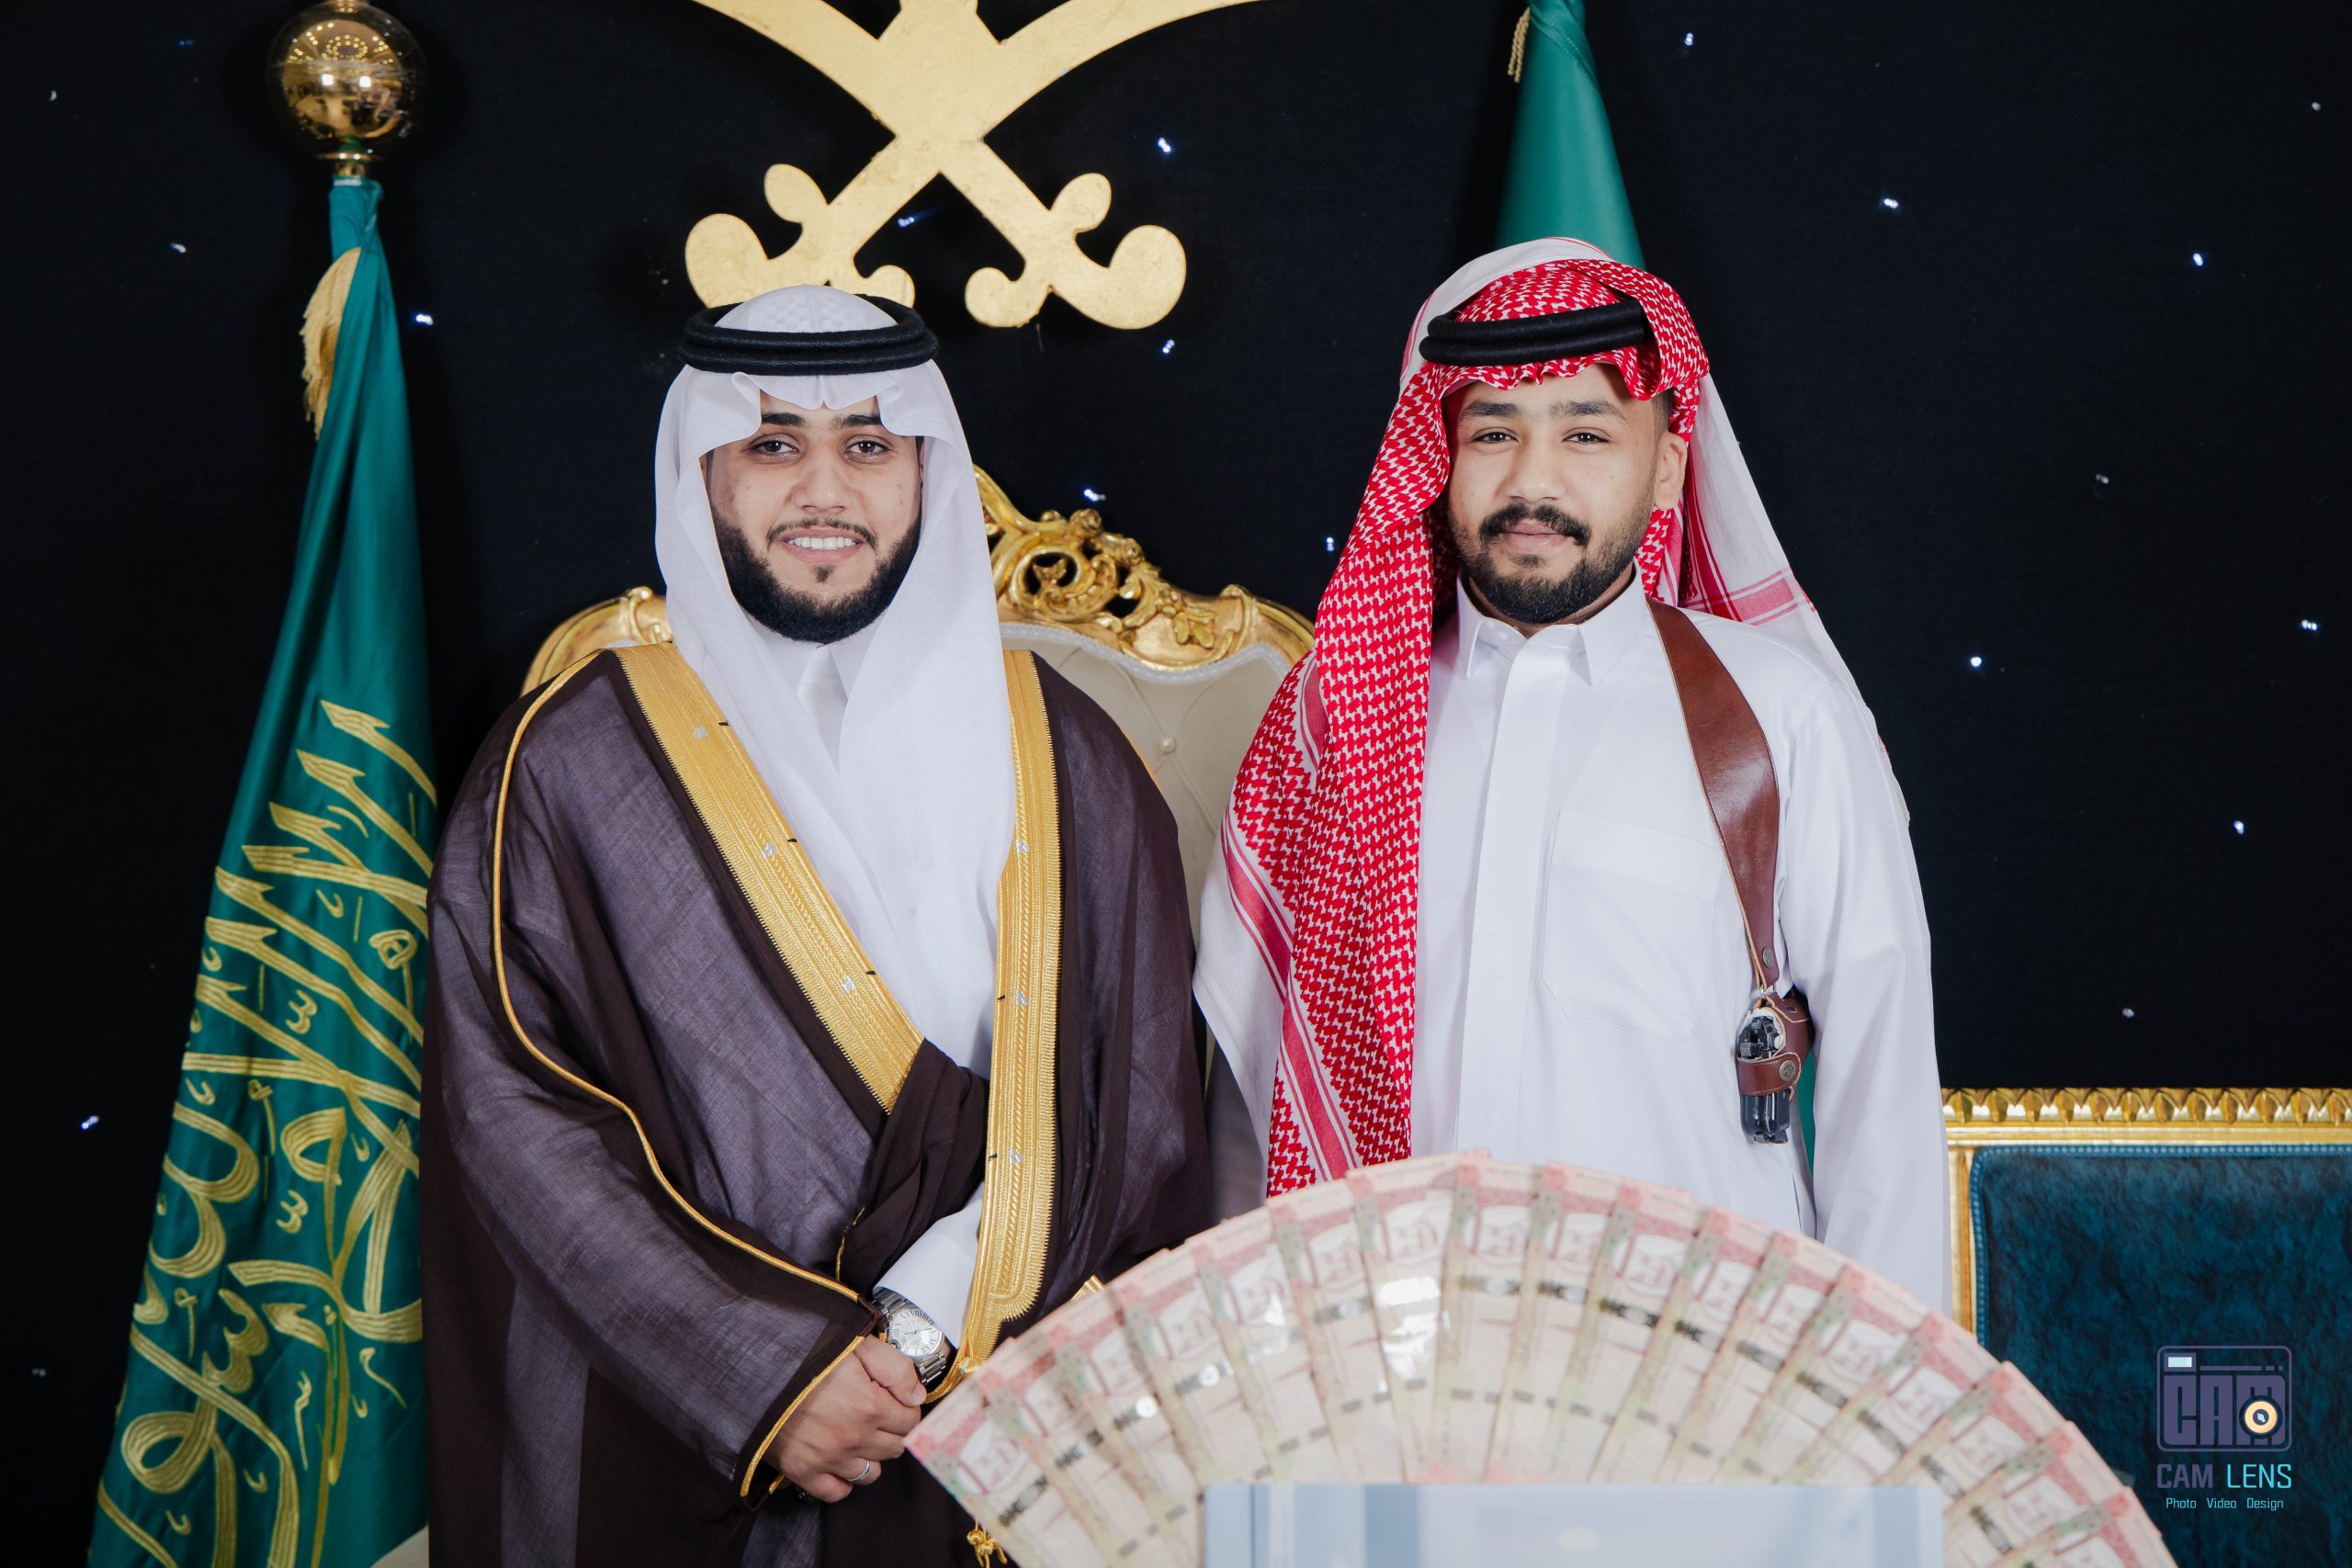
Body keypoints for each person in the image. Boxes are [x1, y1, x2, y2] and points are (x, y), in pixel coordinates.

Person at [421, 286, 1209, 1566]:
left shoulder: (1068, 752)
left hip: (1008, 1399)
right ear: (705, 471)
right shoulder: (568, 762)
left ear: (925, 469)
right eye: (774, 443)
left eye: (869, 443)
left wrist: (920, 1329)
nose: (824, 489)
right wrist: (768, 1372)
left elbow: (1144, 1100)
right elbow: (512, 1113)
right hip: (693, 1420)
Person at [1196, 239, 1948, 1311]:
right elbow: (1254, 1083)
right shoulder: (1332, 726)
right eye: (1492, 432)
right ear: (1436, 456)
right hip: (1394, 1350)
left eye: (1585, 433)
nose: (1531, 483)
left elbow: (1883, 1098)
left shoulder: (1780, 718)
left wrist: (1867, 1388)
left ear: (1667, 467)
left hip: (1693, 1359)